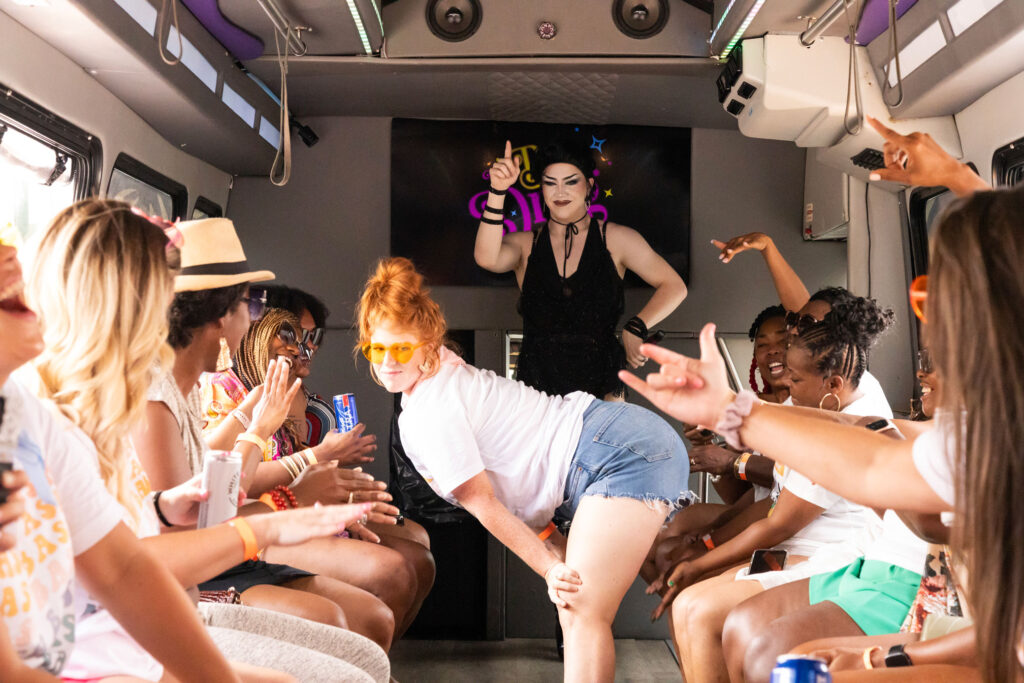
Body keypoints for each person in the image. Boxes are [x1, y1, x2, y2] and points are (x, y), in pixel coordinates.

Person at [619, 190, 1020, 679]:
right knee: (763, 643)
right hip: (915, 592)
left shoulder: (986, 432)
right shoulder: (980, 422)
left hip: (874, 572)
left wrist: (736, 419)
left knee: (763, 648)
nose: (932, 320)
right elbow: (886, 456)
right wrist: (737, 414)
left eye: (939, 298)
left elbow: (888, 483)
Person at [24, 199, 395, 680]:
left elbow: (128, 536)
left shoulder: (120, 399)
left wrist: (165, 506)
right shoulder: (100, 410)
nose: (168, 317)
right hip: (127, 632)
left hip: (146, 619)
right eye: (163, 296)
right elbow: (136, 566)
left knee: (364, 659)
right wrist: (278, 507)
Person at [354, 256, 689, 682]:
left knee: (578, 609)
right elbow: (519, 485)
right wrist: (551, 548)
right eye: (376, 349)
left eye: (401, 348)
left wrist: (549, 568)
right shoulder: (438, 374)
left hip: (615, 452)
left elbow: (484, 503)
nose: (387, 362)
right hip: (610, 445)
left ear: (428, 346)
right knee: (604, 601)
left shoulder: (431, 409)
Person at [135, 217, 397, 648]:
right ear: (221, 317)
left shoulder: (188, 390)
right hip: (191, 581)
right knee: (332, 617)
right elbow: (191, 543)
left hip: (221, 557)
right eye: (249, 305)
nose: (253, 319)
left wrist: (256, 424)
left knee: (373, 618)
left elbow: (213, 488)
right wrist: (290, 497)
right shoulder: (155, 400)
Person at [649, 296, 895, 683]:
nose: (786, 390)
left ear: (832, 384)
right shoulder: (841, 385)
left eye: (795, 381)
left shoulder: (842, 426)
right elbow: (766, 496)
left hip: (827, 554)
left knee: (697, 608)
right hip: (794, 547)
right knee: (688, 599)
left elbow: (777, 522)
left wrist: (701, 559)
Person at [474, 139, 687, 399]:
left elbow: (674, 286)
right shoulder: (525, 244)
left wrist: (637, 326)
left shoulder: (617, 239)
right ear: (541, 189)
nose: (560, 192)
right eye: (550, 183)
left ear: (589, 185)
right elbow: (486, 258)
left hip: (603, 390)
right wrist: (497, 192)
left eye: (570, 182)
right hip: (538, 391)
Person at [262, 284, 338, 447]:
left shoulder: (312, 405)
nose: (311, 345)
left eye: (315, 335)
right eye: (299, 334)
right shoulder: (229, 393)